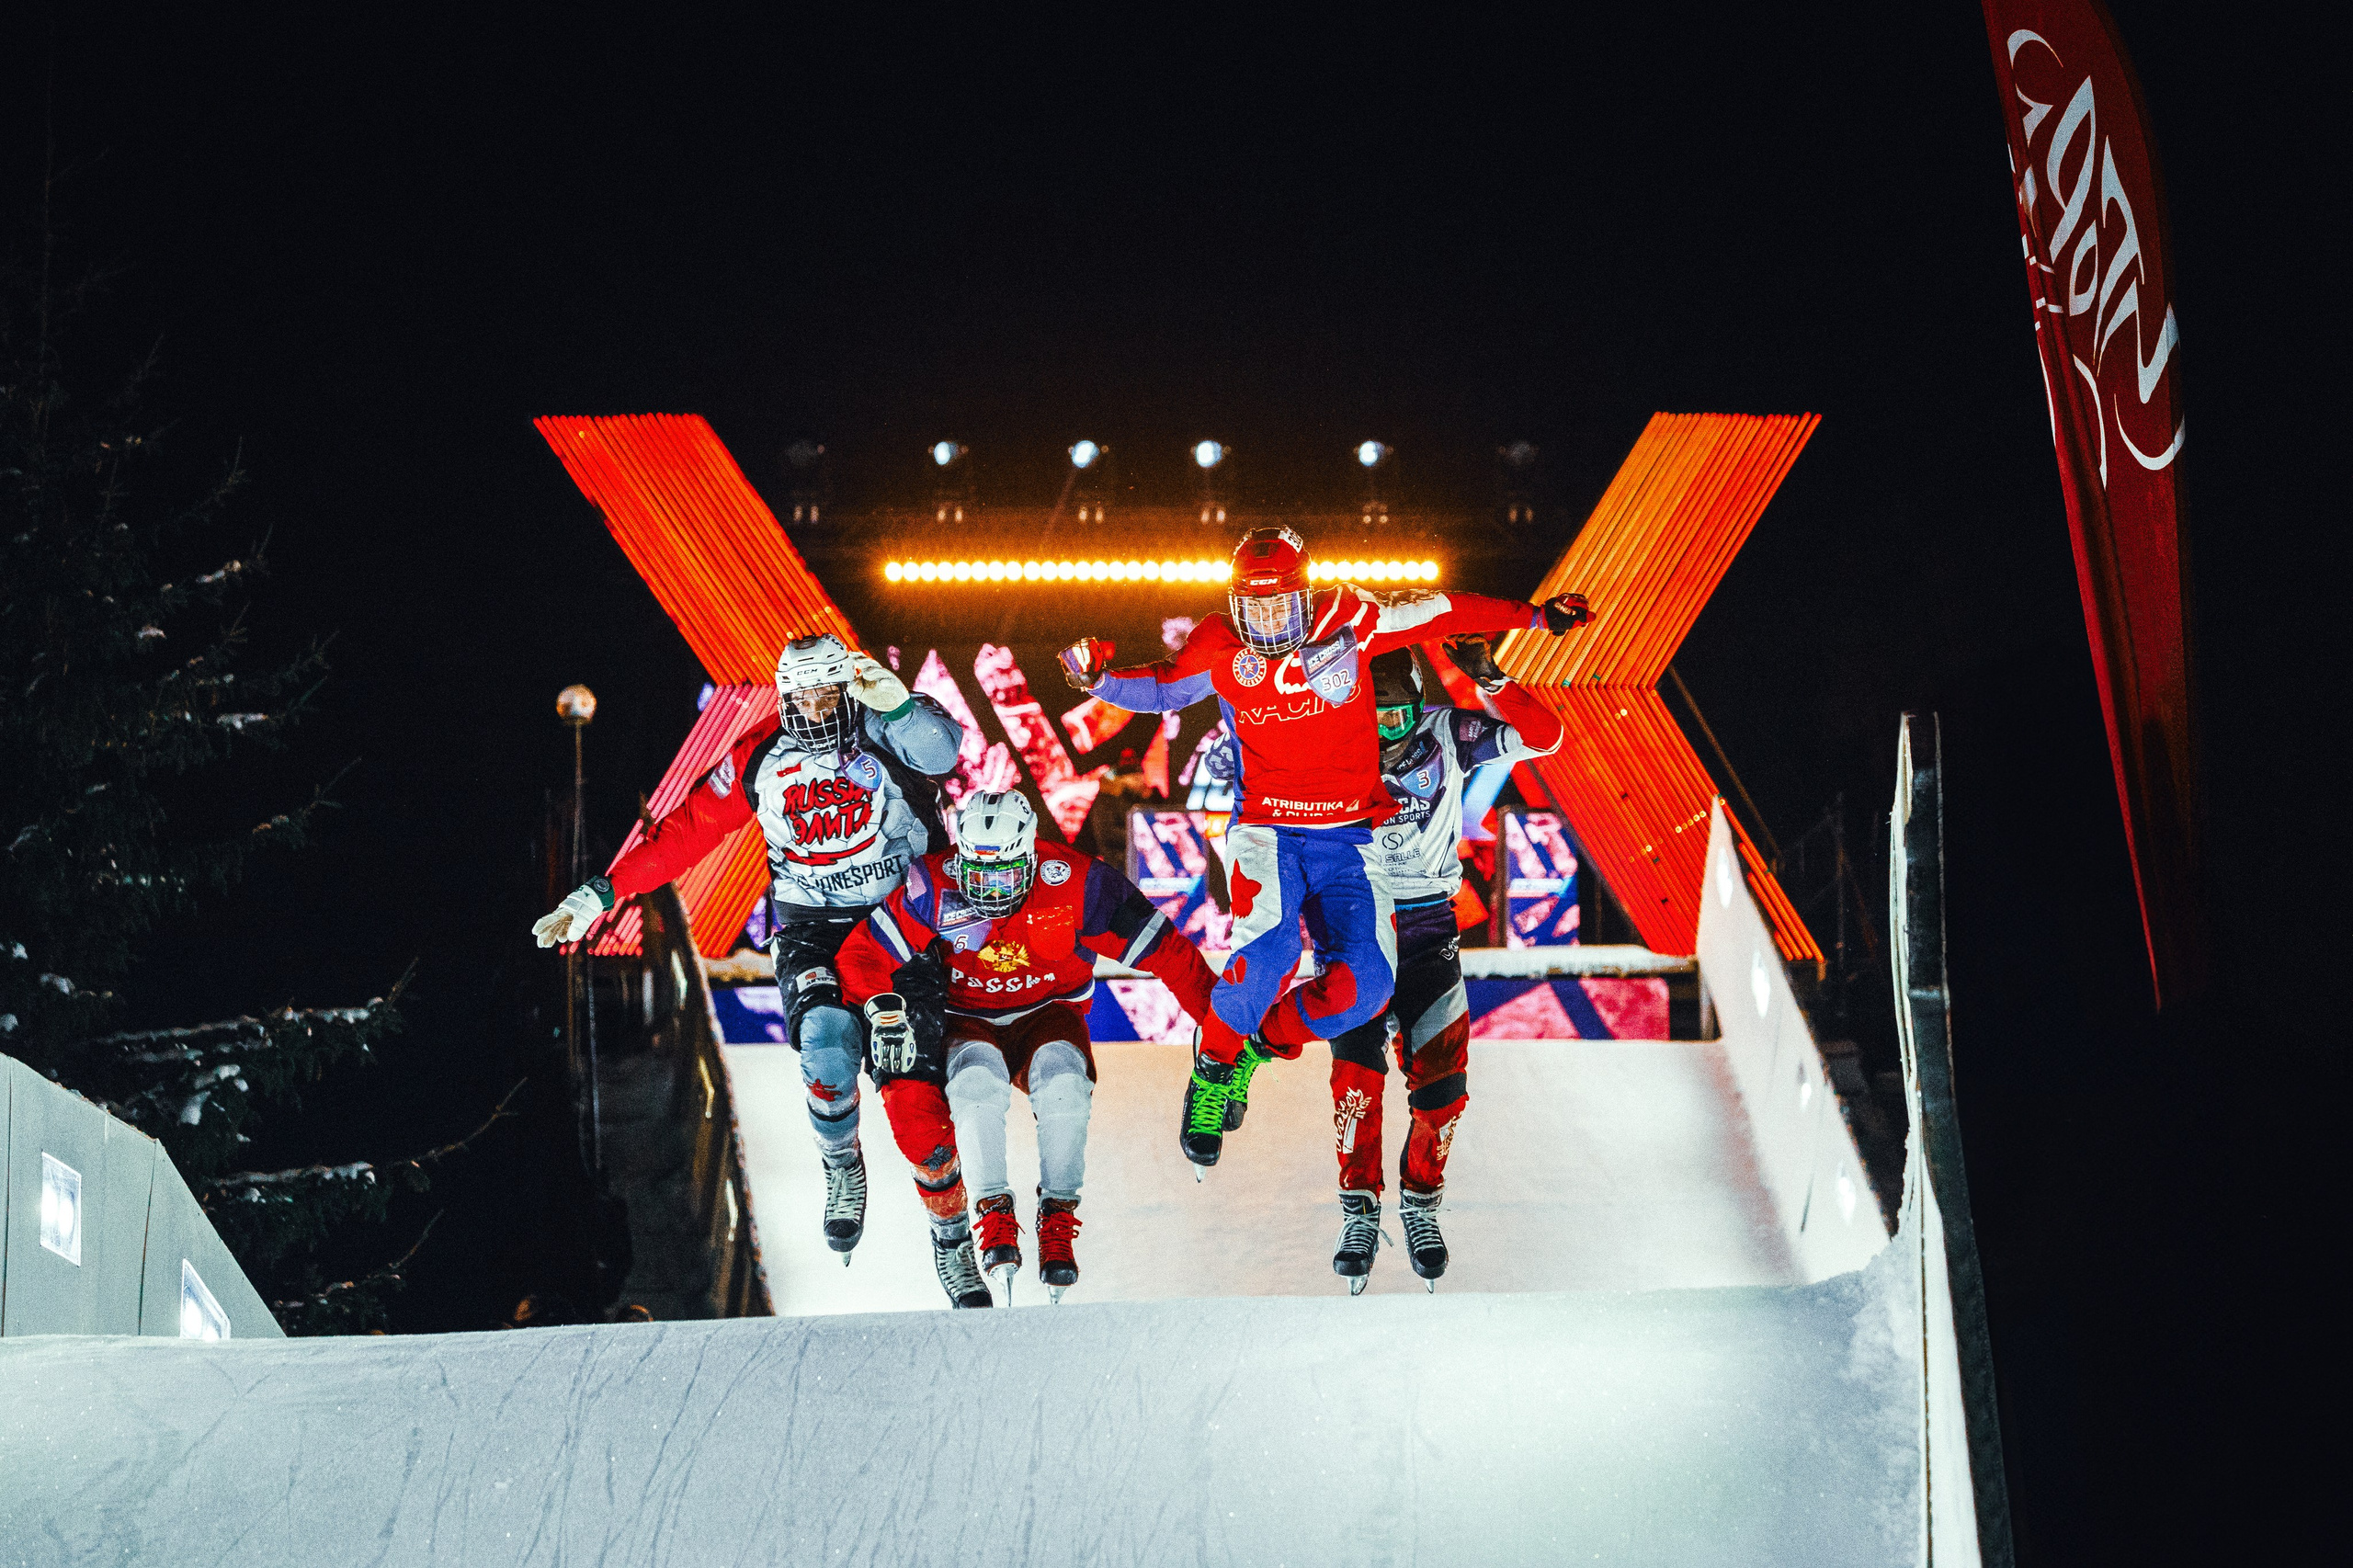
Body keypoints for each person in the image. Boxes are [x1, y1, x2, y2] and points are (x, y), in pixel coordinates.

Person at [1058, 527, 1593, 1172]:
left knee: (1366, 987)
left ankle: (1251, 1048)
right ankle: (1210, 1071)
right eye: (1253, 610)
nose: (1269, 625)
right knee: (1270, 954)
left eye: (1281, 607)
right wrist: (1097, 680)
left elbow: (1444, 610)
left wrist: (1535, 617)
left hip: (1347, 836)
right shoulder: (1218, 640)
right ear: (1233, 605)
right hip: (1267, 830)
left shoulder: (1353, 616)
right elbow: (1168, 688)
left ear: (1306, 597)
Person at [534, 634, 961, 1269]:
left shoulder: (881, 719)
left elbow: (944, 752)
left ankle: (952, 1235)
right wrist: (604, 892)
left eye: (826, 692)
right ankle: (842, 1164)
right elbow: (691, 828)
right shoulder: (763, 751)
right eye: (800, 695)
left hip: (900, 921)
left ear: (847, 688)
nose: (814, 708)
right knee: (823, 1045)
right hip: (812, 925)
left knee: (912, 1098)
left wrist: (898, 709)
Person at [836, 790, 1220, 1305]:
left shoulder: (1081, 883)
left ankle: (1059, 1215)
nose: (991, 891)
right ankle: (992, 1214)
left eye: (1004, 874)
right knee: (975, 1088)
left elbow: (1168, 951)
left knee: (1064, 1083)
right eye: (978, 875)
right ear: (959, 859)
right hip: (967, 1018)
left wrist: (1223, 1033)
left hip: (1050, 1011)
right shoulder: (932, 884)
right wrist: (881, 1008)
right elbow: (864, 953)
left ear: (1033, 855)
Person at [1326, 637, 1563, 1293]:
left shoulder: (1448, 733)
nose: (1386, 735)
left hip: (1431, 927)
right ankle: (1360, 1210)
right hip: (1356, 930)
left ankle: (1421, 1202)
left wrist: (1491, 679)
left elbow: (1544, 737)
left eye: (1398, 718)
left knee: (1443, 1090)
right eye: (1372, 719)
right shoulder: (1327, 739)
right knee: (1355, 1079)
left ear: (1419, 707)